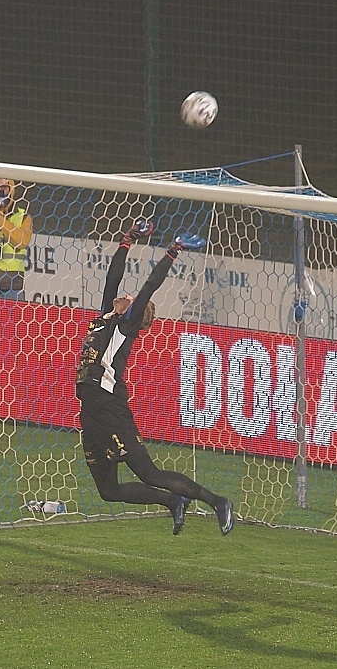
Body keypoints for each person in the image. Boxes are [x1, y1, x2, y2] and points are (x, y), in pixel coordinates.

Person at [76, 219, 234, 536]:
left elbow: (149, 286)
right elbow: (112, 276)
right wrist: (127, 239)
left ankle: (217, 502)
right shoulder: (107, 317)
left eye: (131, 299)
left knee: (148, 472)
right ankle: (173, 502)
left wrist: (172, 251)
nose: (125, 295)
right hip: (90, 412)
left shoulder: (124, 326)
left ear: (133, 312)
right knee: (108, 490)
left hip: (109, 407)